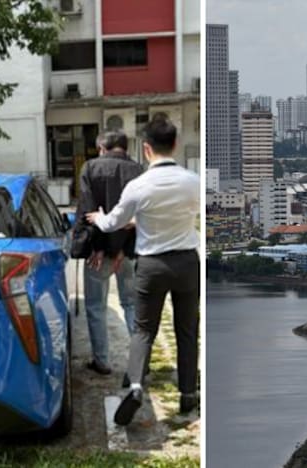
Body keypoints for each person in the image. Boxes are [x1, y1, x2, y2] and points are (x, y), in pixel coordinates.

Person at [86, 117, 200, 425]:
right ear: (175, 144)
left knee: (144, 328)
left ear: (146, 148)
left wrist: (97, 217)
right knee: (187, 330)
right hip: (187, 262)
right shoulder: (193, 181)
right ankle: (188, 393)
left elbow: (112, 223)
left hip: (152, 264)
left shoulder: (138, 186)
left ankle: (136, 385)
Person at [72, 130, 142, 375]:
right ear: (125, 147)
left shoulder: (90, 168)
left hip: (98, 254)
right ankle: (140, 364)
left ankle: (102, 361)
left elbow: (88, 210)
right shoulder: (139, 171)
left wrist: (99, 247)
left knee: (95, 307)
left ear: (102, 147)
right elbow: (141, 215)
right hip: (128, 252)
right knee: (132, 304)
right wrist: (124, 249)